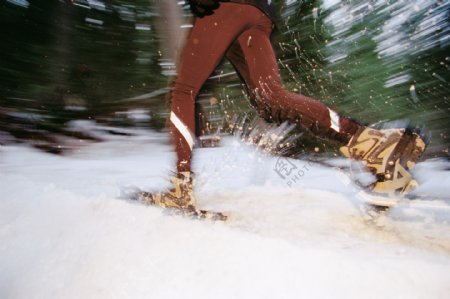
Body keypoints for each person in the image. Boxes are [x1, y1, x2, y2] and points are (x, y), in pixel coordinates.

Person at [138, 0, 426, 218]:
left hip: (225, 6)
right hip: (258, 12)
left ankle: (181, 188)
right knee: (270, 98)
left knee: (184, 90)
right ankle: (372, 142)